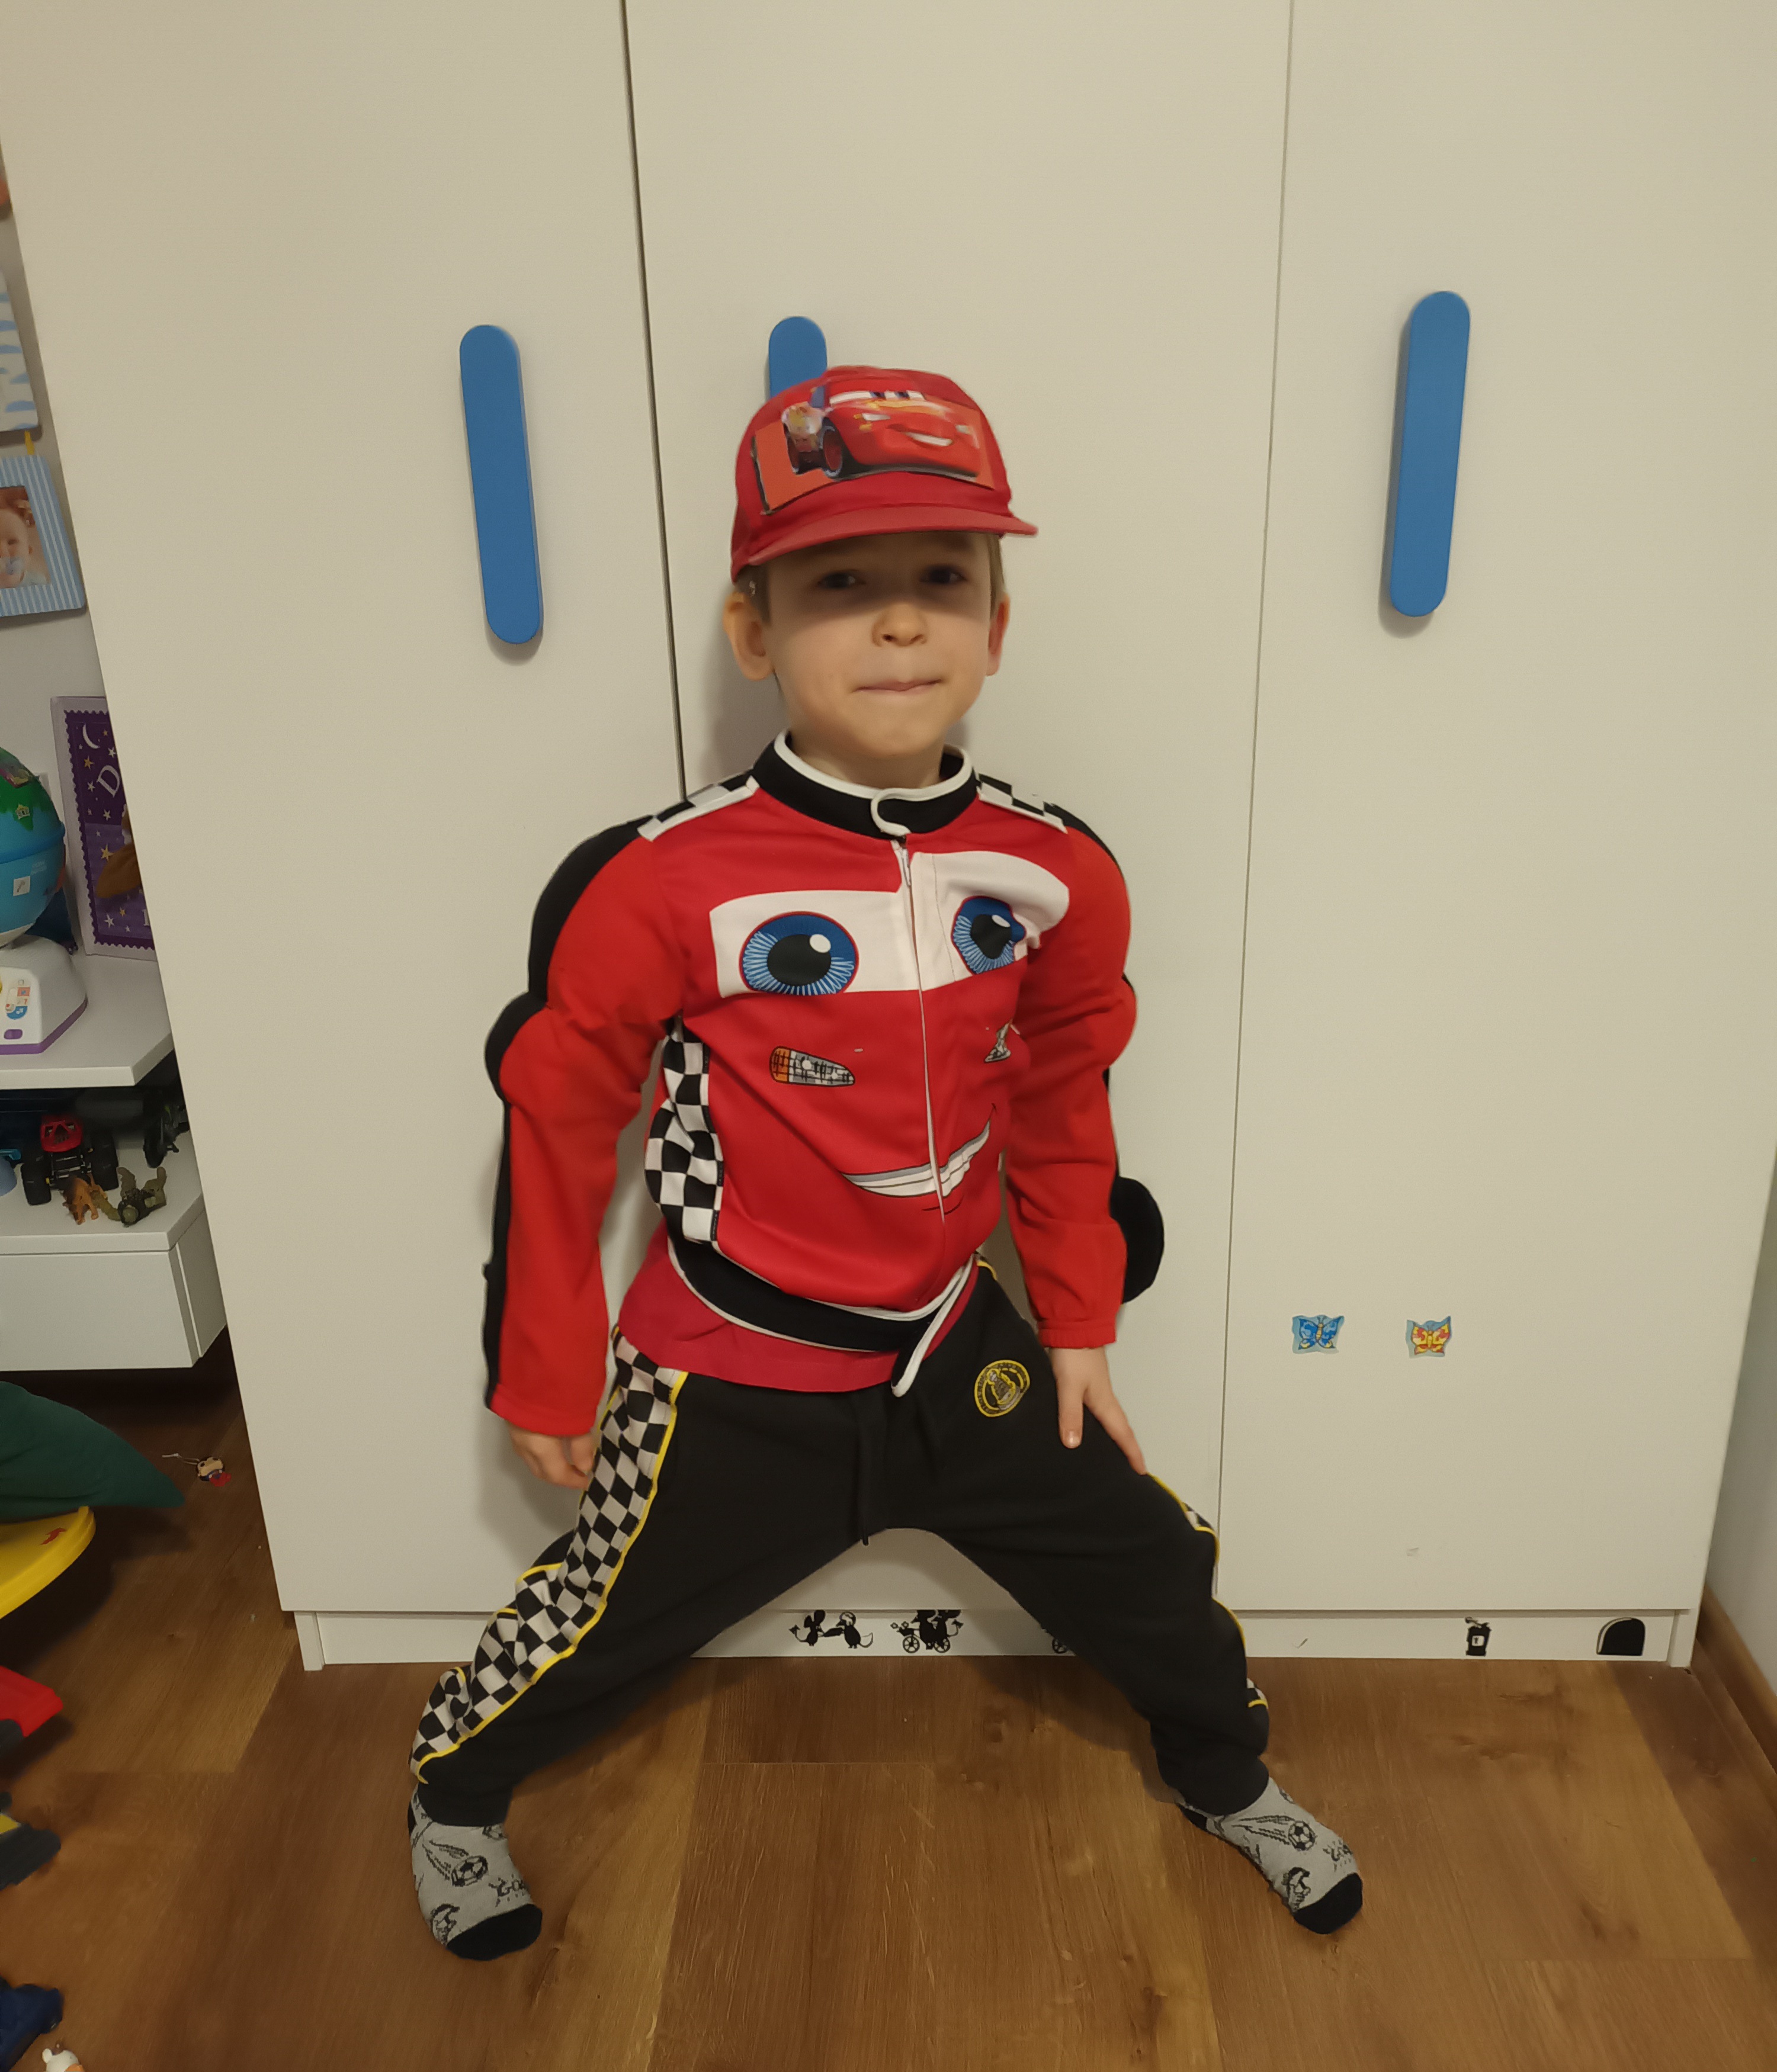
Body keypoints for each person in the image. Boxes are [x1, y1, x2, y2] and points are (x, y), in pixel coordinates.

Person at [406, 367, 1362, 1960]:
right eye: (842, 585)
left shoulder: (1054, 869)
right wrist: (546, 1372)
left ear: (999, 622)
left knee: (1151, 1564)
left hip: (951, 1348)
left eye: (942, 580)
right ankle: (449, 1797)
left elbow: (1063, 1102)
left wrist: (1076, 1318)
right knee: (595, 1620)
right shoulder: (657, 881)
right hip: (733, 1374)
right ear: (755, 630)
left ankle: (1225, 1774)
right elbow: (562, 1132)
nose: (903, 622)